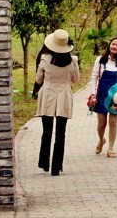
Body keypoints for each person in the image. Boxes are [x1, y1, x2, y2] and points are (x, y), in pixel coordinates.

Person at [35, 29, 80, 176]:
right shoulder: (72, 60)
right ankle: (56, 166)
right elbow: (76, 80)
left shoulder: (44, 58)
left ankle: (44, 163)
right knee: (61, 133)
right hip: (64, 96)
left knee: (46, 131)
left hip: (47, 94)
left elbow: (38, 80)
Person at [87, 36, 117, 158]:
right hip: (101, 95)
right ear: (109, 45)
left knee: (113, 122)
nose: (114, 47)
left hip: (116, 96)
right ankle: (101, 140)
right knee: (101, 123)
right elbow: (94, 78)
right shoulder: (100, 60)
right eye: (113, 44)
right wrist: (93, 94)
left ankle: (111, 147)